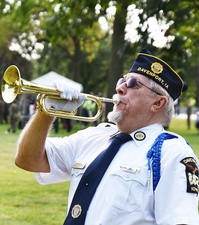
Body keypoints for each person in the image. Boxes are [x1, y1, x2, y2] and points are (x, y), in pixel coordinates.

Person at [14, 49, 199, 224]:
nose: (120, 89)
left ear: (158, 103)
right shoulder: (95, 136)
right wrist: (47, 111)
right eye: (122, 81)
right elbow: (28, 160)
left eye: (133, 84)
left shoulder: (172, 153)